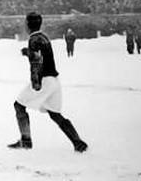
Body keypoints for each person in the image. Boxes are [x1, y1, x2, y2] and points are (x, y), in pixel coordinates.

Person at [8, 12, 88, 152]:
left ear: (27, 25)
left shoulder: (33, 39)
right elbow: (42, 56)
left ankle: (26, 140)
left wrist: (35, 82)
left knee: (19, 106)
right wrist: (29, 52)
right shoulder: (44, 37)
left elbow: (37, 62)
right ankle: (78, 142)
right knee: (55, 114)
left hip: (43, 79)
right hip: (54, 80)